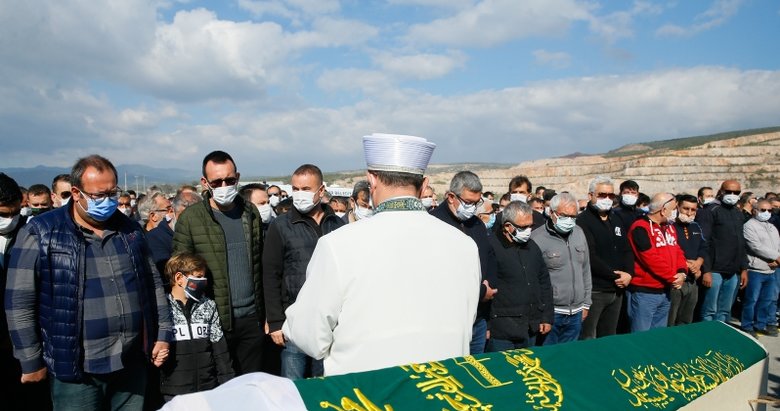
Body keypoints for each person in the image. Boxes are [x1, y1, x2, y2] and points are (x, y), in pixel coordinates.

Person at [282, 133, 481, 376]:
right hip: (442, 392)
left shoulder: (337, 245)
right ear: (424, 184)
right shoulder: (465, 245)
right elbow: (466, 323)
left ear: (371, 181)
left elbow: (310, 337)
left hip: (366, 395)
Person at [5, 154, 172, 410]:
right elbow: (19, 302)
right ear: (75, 192)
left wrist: (161, 334)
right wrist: (30, 360)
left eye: (111, 193)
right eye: (97, 195)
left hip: (130, 364)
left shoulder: (129, 231)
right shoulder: (42, 232)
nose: (106, 201)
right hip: (76, 371)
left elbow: (152, 285)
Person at [172, 150, 266, 375]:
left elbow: (259, 261)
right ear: (205, 183)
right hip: (213, 320)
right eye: (217, 181)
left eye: (230, 180)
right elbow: (179, 273)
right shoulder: (191, 219)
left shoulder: (249, 212)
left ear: (238, 178)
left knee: (251, 385)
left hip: (252, 320)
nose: (224, 185)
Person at [263, 164, 345, 379]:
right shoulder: (281, 226)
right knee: (293, 386)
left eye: (306, 189)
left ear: (321, 190)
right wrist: (275, 321)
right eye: (295, 189)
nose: (299, 195)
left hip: (330, 321)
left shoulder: (337, 224)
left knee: (324, 383)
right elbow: (271, 274)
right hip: (294, 320)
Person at [430, 171, 498, 354]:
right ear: (451, 197)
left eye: (477, 203)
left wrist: (490, 289)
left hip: (478, 318)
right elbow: (441, 274)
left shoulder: (476, 224)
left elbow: (489, 258)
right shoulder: (434, 224)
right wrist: (481, 291)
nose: (473, 207)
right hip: (448, 320)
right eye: (468, 202)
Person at [160, 253, 234, 401]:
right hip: (175, 392)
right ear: (179, 278)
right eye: (198, 277)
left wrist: (228, 386)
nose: (203, 282)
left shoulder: (208, 305)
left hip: (208, 389)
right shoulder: (162, 310)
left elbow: (220, 352)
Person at [486, 201, 553, 350]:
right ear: (508, 226)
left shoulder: (532, 247)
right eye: (523, 227)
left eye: (530, 226)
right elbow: (486, 290)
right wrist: (487, 326)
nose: (528, 231)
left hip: (530, 328)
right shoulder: (491, 247)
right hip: (501, 331)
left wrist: (546, 317)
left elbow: (544, 282)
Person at [576, 176, 633, 339]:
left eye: (611, 195)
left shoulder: (616, 218)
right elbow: (590, 256)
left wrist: (629, 273)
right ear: (591, 196)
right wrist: (615, 275)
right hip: (596, 290)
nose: (607, 199)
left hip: (617, 289)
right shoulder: (583, 222)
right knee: (589, 335)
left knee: (609, 335)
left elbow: (627, 249)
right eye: (602, 195)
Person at [530, 192, 592, 345]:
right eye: (564, 216)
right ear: (551, 213)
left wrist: (586, 303)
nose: (569, 221)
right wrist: (542, 314)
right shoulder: (536, 238)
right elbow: (533, 280)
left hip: (577, 312)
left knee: (569, 357)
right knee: (547, 359)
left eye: (573, 217)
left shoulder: (578, 233)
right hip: (552, 313)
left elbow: (585, 269)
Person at [627, 193, 687, 332]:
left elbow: (678, 251)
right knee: (641, 336)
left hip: (665, 290)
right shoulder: (640, 227)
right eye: (673, 209)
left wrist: (682, 272)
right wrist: (672, 277)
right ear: (663, 210)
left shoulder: (669, 227)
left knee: (658, 336)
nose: (675, 212)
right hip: (646, 292)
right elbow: (650, 258)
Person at [699, 180, 749, 322]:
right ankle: (706, 339)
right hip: (715, 270)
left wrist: (744, 268)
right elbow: (704, 242)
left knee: (725, 310)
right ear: (721, 191)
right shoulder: (711, 211)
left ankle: (720, 339)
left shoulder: (738, 214)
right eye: (729, 192)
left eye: (736, 193)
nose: (732, 195)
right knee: (710, 309)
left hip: (733, 271)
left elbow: (741, 243)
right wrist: (707, 270)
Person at [741, 199, 780, 337]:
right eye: (763, 210)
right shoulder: (749, 226)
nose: (767, 213)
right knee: (751, 300)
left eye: (770, 210)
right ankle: (747, 325)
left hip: (771, 270)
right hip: (756, 270)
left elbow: (777, 245)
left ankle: (760, 324)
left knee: (766, 300)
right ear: (755, 210)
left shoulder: (771, 227)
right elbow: (755, 246)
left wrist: (777, 259)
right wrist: (776, 256)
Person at [669, 194, 709, 326]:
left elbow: (704, 247)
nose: (689, 213)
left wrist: (698, 263)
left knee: (686, 317)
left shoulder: (695, 226)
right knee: (671, 317)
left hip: (693, 279)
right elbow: (671, 250)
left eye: (693, 210)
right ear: (677, 207)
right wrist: (686, 264)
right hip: (677, 279)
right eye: (686, 208)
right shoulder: (669, 227)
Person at [148, 190, 202, 278]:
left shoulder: (203, 234)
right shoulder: (155, 238)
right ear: (172, 211)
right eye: (183, 216)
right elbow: (167, 271)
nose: (190, 222)